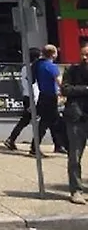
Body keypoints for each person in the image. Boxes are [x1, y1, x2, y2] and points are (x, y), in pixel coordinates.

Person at [4, 47, 42, 151]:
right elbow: (33, 86)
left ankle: (11, 139)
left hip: (27, 96)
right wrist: (34, 101)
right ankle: (12, 139)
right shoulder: (34, 68)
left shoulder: (25, 68)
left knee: (25, 120)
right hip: (33, 97)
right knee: (41, 121)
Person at [63, 44, 88, 204]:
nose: (84, 58)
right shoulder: (72, 70)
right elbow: (65, 89)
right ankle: (76, 190)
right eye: (83, 55)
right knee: (75, 156)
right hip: (77, 117)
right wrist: (86, 89)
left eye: (87, 55)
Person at [32, 44, 68, 155]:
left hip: (43, 95)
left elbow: (31, 79)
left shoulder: (37, 64)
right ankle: (34, 147)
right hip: (50, 97)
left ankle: (59, 145)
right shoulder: (51, 66)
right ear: (53, 54)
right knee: (46, 123)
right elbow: (60, 82)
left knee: (54, 121)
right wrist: (66, 92)